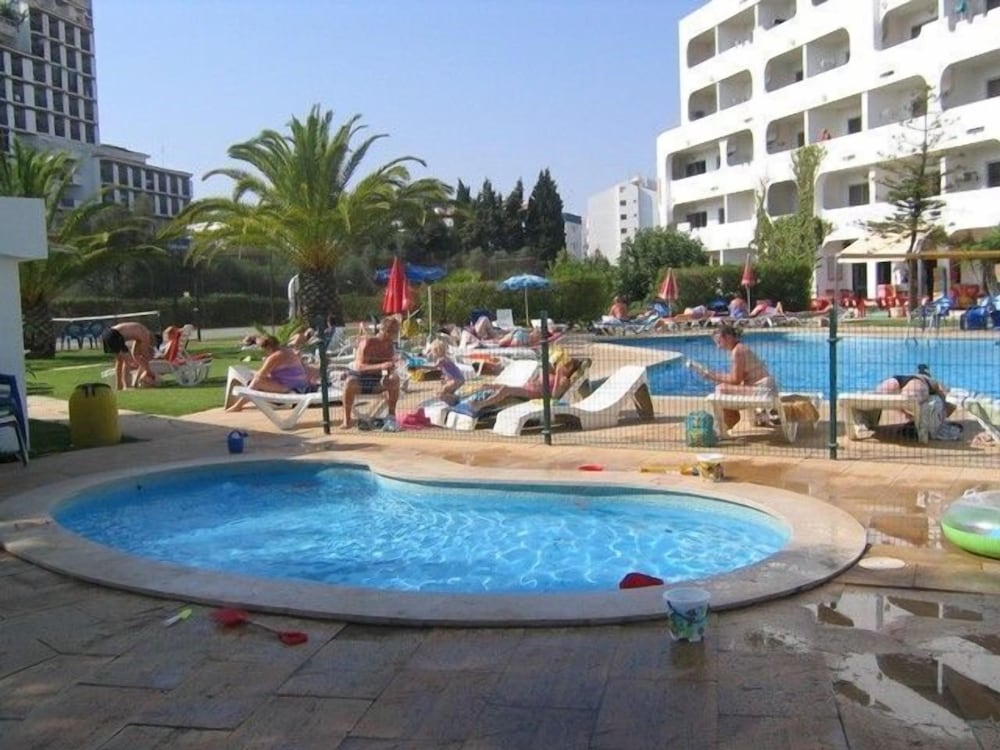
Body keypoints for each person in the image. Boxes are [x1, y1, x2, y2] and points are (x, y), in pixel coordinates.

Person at [688, 324, 776, 429]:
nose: (718, 347)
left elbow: (735, 380)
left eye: (719, 342)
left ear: (728, 337)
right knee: (723, 388)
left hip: (763, 390)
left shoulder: (738, 351)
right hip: (764, 388)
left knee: (720, 389)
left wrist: (711, 375)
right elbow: (738, 379)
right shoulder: (740, 348)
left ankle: (729, 420)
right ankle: (730, 419)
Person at [464, 356, 580, 415]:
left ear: (570, 370)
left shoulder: (564, 380)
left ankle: (481, 405)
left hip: (536, 393)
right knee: (490, 386)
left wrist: (558, 374)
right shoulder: (553, 373)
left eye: (566, 366)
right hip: (529, 386)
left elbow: (555, 395)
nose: (562, 366)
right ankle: (467, 398)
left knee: (505, 390)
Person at [226, 335, 314, 412]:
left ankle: (238, 405)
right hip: (301, 385)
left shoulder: (275, 356)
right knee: (257, 381)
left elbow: (261, 375)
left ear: (267, 348)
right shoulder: (288, 351)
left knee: (257, 382)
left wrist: (254, 373)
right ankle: (240, 405)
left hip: (292, 387)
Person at [341, 316, 401, 429]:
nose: (394, 335)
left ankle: (391, 416)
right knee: (349, 382)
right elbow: (359, 367)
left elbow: (386, 368)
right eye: (392, 332)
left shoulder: (390, 346)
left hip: (377, 380)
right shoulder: (368, 343)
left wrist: (387, 372)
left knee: (394, 379)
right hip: (361, 379)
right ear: (383, 330)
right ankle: (347, 419)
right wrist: (381, 366)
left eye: (395, 332)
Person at [102, 321, 157, 389]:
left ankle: (119, 386)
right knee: (128, 362)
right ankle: (127, 386)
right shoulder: (146, 336)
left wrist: (143, 367)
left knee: (120, 361)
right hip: (115, 335)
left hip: (107, 333)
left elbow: (135, 354)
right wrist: (149, 371)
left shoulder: (141, 332)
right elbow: (144, 357)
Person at [428, 338, 465, 404]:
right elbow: (450, 370)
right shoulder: (446, 357)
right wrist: (445, 378)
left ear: (437, 351)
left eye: (432, 351)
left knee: (441, 393)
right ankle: (454, 401)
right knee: (448, 393)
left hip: (455, 380)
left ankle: (457, 399)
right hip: (460, 379)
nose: (432, 354)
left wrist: (420, 367)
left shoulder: (441, 359)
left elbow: (433, 368)